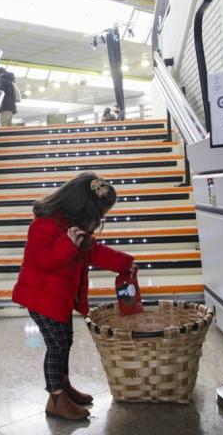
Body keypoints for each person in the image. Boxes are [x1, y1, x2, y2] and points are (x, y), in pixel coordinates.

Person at [12, 172, 136, 420]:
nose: (98, 222)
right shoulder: (44, 225)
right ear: (80, 208)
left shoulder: (75, 227)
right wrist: (67, 245)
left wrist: (126, 264)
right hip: (41, 300)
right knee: (56, 347)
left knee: (65, 341)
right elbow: (42, 261)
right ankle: (55, 399)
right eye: (97, 216)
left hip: (60, 299)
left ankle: (64, 385)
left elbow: (96, 252)